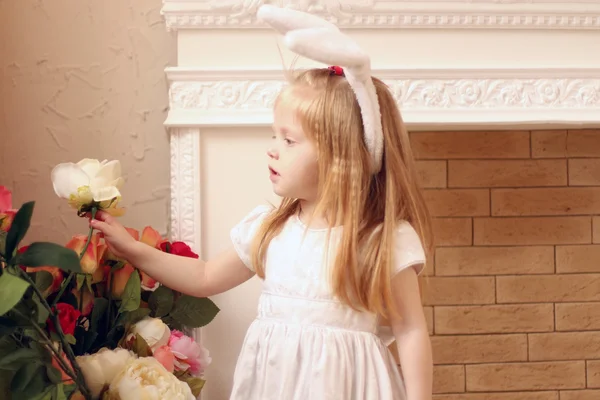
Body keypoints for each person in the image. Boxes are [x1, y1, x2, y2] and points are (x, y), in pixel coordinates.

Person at [90, 5, 434, 400]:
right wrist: (133, 250)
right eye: (274, 136)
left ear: (342, 159)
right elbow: (204, 278)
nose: (272, 150)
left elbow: (410, 329)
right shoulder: (271, 230)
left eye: (289, 141)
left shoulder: (380, 240)